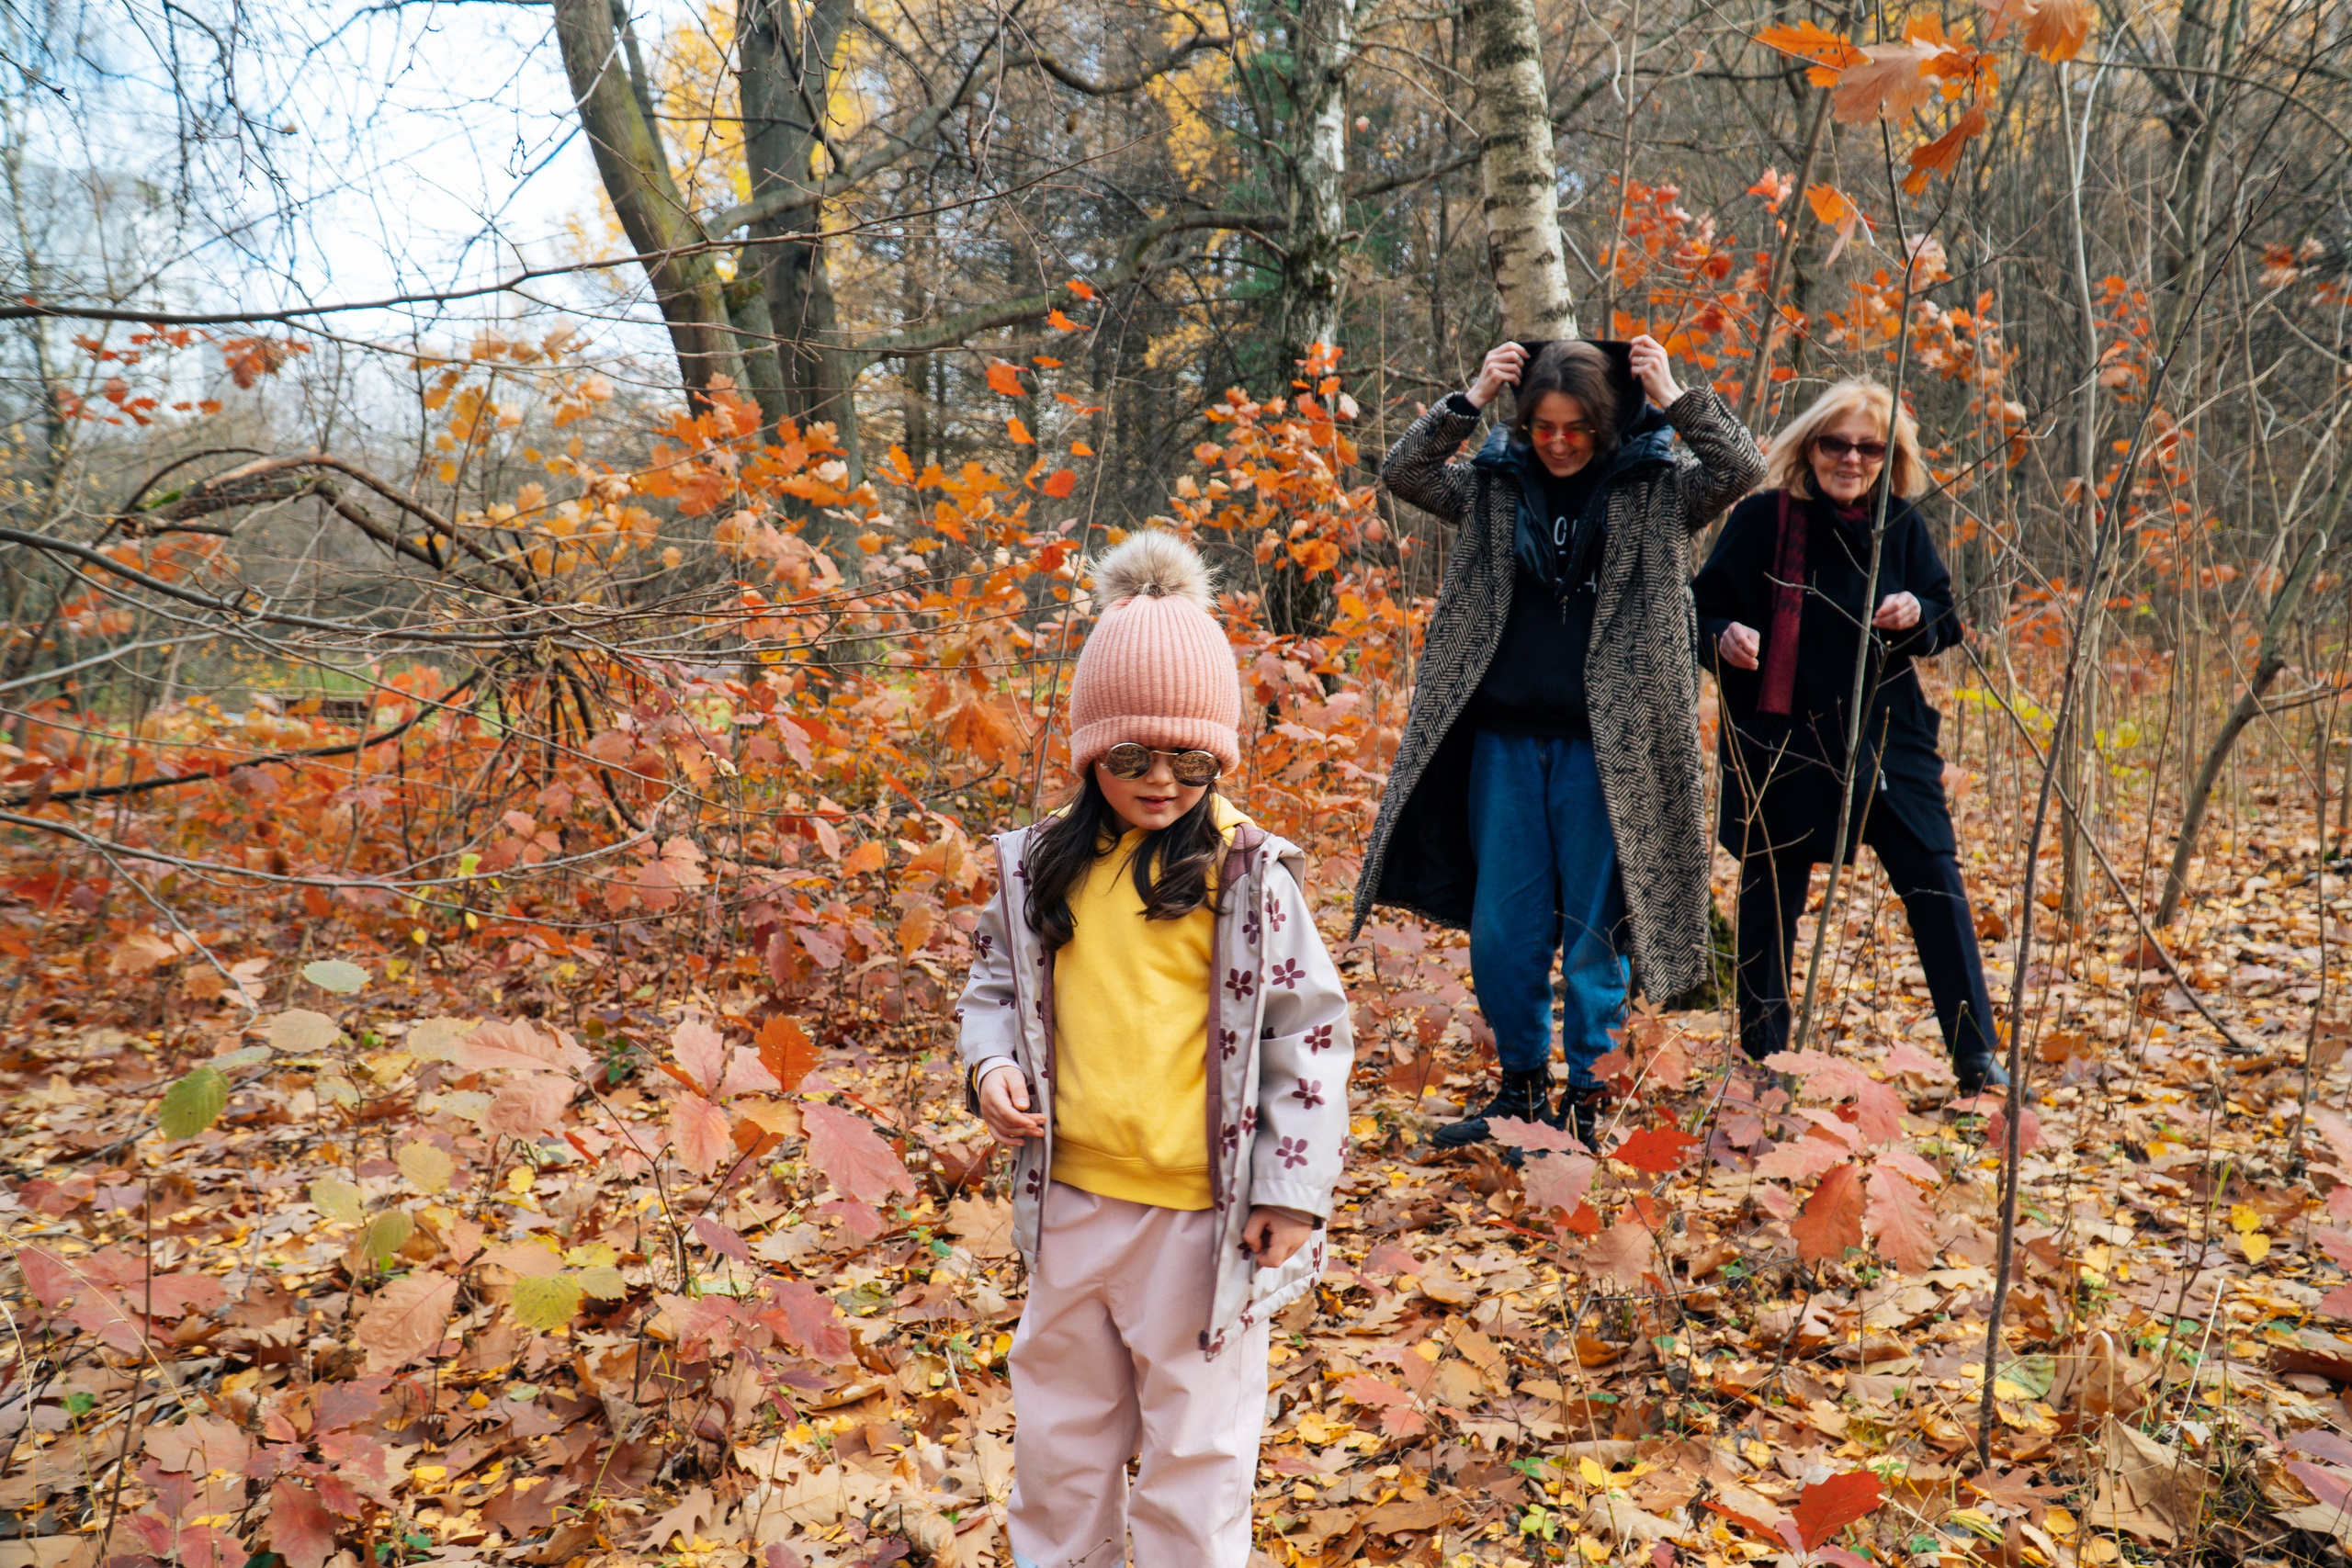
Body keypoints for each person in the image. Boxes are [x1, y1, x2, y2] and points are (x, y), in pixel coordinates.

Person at [956, 529, 1352, 1568]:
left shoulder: (1249, 878)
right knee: (1061, 1437)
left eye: (1189, 758)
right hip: (1073, 1202)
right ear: (1092, 754)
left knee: (1198, 1448)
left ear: (1218, 754)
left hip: (1203, 1223)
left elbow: (1307, 1033)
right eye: (1130, 758)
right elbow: (994, 987)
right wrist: (989, 1067)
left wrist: (1289, 1190)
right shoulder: (1039, 865)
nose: (1160, 779)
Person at [1353, 337, 1765, 1147]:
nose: (1559, 441)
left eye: (1577, 425)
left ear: (1605, 422)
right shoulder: (1491, 487)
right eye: (1542, 425)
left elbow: (1741, 468)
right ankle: (1518, 1090)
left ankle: (1587, 1099)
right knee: (1504, 932)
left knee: (1594, 936)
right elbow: (1403, 472)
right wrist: (1469, 397)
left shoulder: (1656, 489)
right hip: (1502, 747)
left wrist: (1674, 394)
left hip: (1610, 752)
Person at [1690, 378, 2007, 1093]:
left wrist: (1914, 611)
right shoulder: (1764, 519)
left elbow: (1947, 620)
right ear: (1809, 446)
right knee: (1770, 899)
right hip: (1783, 738)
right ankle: (1764, 1063)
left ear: (1889, 456)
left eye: (1870, 447)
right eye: (1837, 443)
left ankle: (1977, 1056)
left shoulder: (1900, 524)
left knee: (1936, 883)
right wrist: (1724, 634)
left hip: (1888, 739)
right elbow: (1697, 613)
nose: (1852, 459)